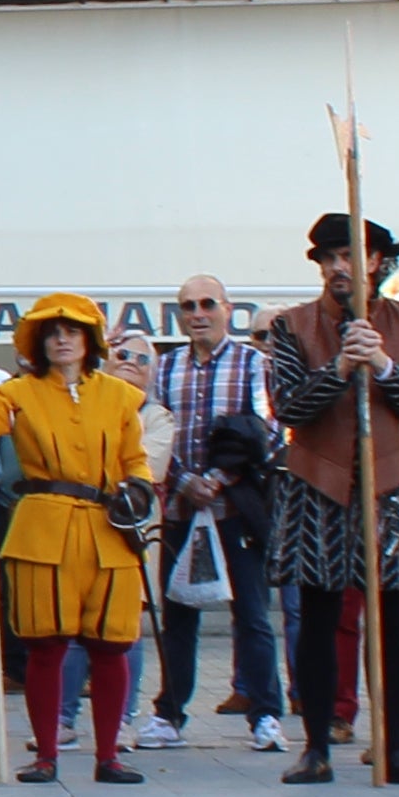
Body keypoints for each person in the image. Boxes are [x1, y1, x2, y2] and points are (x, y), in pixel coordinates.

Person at [261, 213, 399, 786]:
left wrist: (385, 366)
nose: (340, 267)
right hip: (316, 481)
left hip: (393, 481)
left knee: (393, 619)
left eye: (351, 256)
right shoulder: (292, 327)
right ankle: (316, 744)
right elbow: (288, 407)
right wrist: (341, 368)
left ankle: (394, 747)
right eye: (330, 258)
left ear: (375, 262)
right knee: (316, 620)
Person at [0, 293, 151, 784]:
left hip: (107, 528)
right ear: (38, 341)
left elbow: (134, 458)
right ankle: (46, 755)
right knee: (46, 645)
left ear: (89, 340)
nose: (61, 339)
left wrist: (139, 487)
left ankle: (108, 757)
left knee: (112, 645)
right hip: (42, 525)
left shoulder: (120, 396)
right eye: (52, 332)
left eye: (71, 331)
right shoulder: (17, 393)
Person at [149, 271, 281, 752]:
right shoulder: (164, 368)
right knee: (179, 615)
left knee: (252, 614)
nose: (198, 313)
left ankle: (265, 713)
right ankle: (169, 714)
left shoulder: (252, 363)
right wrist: (185, 480)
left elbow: (269, 428)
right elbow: (156, 432)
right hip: (183, 508)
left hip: (237, 508)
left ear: (227, 308)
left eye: (207, 303)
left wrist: (220, 479)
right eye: (188, 306)